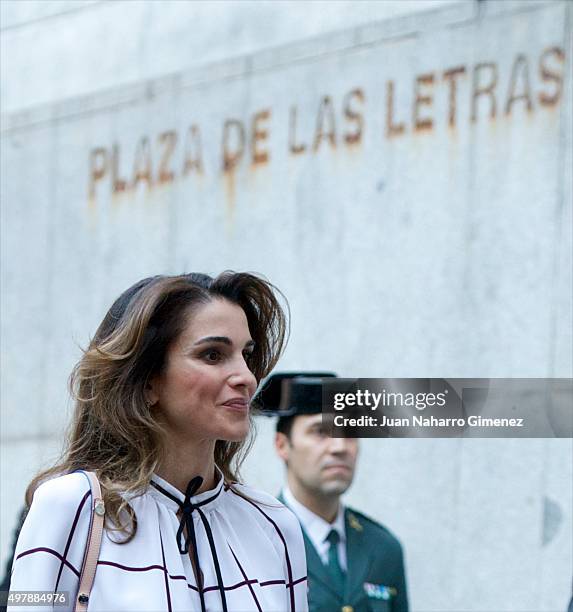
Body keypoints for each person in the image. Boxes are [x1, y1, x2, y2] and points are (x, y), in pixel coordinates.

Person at [8, 272, 308, 612]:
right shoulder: (69, 506)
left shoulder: (274, 525)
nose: (247, 378)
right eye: (212, 355)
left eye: (246, 354)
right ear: (147, 381)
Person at [256, 372, 409, 612]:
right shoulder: (256, 540)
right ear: (282, 445)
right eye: (320, 432)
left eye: (349, 433)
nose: (339, 447)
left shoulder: (383, 548)